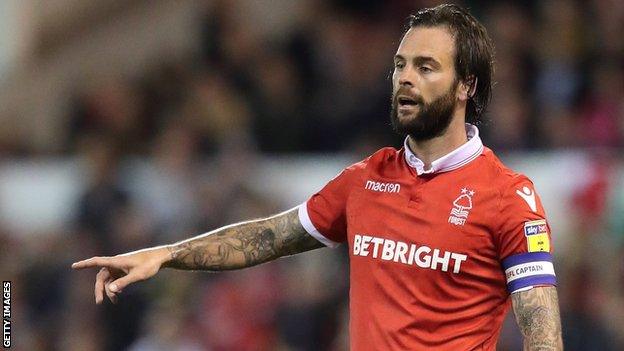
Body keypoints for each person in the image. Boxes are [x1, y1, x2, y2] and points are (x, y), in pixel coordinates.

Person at [72, 4, 563, 350]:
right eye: (400, 65)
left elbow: (542, 338)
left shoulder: (508, 198)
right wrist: (167, 254)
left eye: (426, 66)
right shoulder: (364, 180)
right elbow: (268, 237)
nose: (405, 77)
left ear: (466, 85)